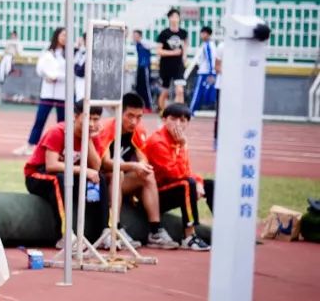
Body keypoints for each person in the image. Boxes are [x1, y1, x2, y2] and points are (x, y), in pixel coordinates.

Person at [96, 92, 178, 249]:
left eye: (139, 117)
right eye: (130, 116)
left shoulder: (138, 130)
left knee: (148, 174)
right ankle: (116, 228)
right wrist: (133, 166)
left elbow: (143, 159)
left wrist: (141, 167)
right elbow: (105, 163)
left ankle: (155, 231)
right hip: (101, 181)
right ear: (119, 112)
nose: (134, 121)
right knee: (117, 173)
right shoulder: (106, 129)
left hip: (122, 181)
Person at [23, 102, 109, 246]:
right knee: (60, 179)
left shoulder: (92, 136)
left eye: (96, 119)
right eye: (88, 118)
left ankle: (104, 232)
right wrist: (83, 170)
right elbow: (51, 166)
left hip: (68, 177)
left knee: (100, 178)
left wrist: (87, 139)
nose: (92, 124)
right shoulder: (58, 132)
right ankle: (65, 234)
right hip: (37, 175)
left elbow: (96, 167)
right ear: (76, 116)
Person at [144, 103, 213, 251]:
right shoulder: (157, 141)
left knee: (210, 185)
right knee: (187, 184)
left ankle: (224, 231)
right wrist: (183, 146)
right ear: (164, 119)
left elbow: (186, 170)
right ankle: (189, 236)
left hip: (171, 187)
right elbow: (175, 174)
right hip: (153, 196)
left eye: (183, 120)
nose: (178, 124)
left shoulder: (177, 141)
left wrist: (199, 182)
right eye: (173, 119)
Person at [17, 27, 67, 156]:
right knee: (40, 120)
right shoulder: (47, 52)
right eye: (62, 35)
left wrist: (58, 77)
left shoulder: (70, 54)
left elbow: (71, 73)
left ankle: (61, 149)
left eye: (67, 36)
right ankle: (30, 145)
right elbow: (40, 69)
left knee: (62, 124)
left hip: (63, 95)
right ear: (56, 36)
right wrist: (47, 76)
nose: (64, 38)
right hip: (48, 93)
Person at [156, 8, 188, 111]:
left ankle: (179, 112)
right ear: (169, 18)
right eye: (172, 17)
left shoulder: (183, 33)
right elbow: (159, 51)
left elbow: (185, 47)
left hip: (178, 65)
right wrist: (173, 53)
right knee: (165, 92)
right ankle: (162, 112)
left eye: (177, 17)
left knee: (180, 90)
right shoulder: (164, 33)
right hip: (166, 65)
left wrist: (184, 56)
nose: (174, 19)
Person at [189, 26, 218, 113]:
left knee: (198, 92)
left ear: (208, 35)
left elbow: (210, 59)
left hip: (205, 72)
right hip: (207, 71)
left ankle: (191, 110)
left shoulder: (208, 45)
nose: (202, 35)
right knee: (202, 92)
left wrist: (211, 73)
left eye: (203, 33)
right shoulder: (208, 45)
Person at [132, 29, 154, 111]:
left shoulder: (144, 42)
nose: (133, 37)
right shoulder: (137, 44)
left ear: (139, 36)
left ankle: (149, 106)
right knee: (138, 88)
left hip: (145, 68)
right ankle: (141, 106)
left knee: (146, 87)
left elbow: (155, 45)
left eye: (135, 35)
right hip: (139, 67)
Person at [73, 32, 87, 102]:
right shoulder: (81, 52)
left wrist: (74, 65)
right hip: (79, 88)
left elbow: (80, 72)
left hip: (85, 90)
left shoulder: (91, 54)